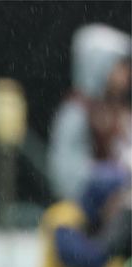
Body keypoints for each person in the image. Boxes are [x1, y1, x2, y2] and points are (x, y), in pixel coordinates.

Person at [47, 23, 131, 201]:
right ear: (99, 64)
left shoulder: (120, 113)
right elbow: (65, 174)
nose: (126, 74)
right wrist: (110, 176)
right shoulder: (76, 114)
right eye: (120, 66)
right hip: (85, 212)